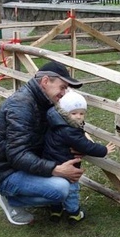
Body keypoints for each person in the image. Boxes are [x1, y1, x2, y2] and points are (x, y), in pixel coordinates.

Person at [0, 61, 85, 226]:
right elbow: (16, 155)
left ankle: (30, 191)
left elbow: (52, 134)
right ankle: (12, 200)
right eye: (62, 87)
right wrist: (56, 169)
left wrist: (72, 147)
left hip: (22, 165)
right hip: (4, 173)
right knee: (61, 189)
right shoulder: (21, 106)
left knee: (61, 185)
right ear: (45, 82)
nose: (64, 93)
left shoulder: (45, 102)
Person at [43, 90, 115, 223]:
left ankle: (56, 210)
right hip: (67, 167)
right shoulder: (69, 130)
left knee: (54, 188)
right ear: (65, 113)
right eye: (74, 113)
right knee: (71, 190)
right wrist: (104, 150)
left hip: (52, 164)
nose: (78, 116)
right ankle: (73, 213)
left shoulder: (55, 122)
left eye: (82, 113)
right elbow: (86, 146)